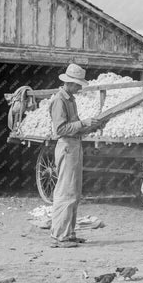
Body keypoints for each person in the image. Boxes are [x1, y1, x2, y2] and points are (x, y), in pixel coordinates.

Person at [49, 64, 100, 248]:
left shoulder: (70, 99)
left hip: (74, 145)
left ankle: (68, 233)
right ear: (69, 83)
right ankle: (60, 236)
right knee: (65, 192)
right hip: (66, 147)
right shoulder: (59, 100)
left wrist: (90, 126)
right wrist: (82, 123)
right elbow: (61, 129)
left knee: (74, 192)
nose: (79, 88)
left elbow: (74, 127)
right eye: (77, 84)